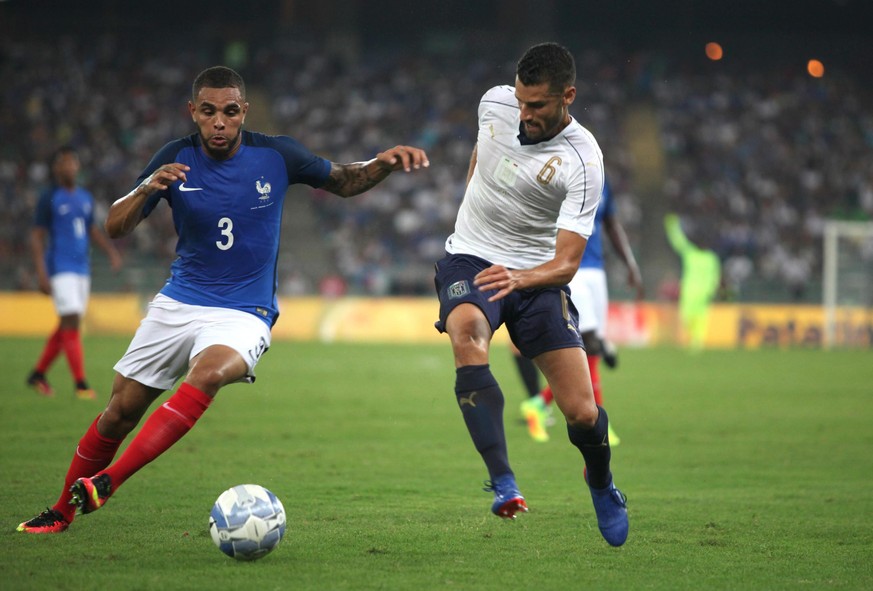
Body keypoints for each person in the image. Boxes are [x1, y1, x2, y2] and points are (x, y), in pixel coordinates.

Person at [17, 66, 429, 534]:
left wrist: (383, 164)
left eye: (229, 112)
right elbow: (114, 225)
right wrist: (149, 186)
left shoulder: (276, 153)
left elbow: (344, 179)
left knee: (209, 372)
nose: (219, 122)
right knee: (119, 413)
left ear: (243, 112)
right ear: (193, 112)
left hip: (244, 311)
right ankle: (61, 510)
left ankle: (109, 480)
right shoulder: (174, 157)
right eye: (208, 112)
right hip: (179, 302)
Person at [433, 43, 628, 546]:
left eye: (537, 105)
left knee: (582, 413)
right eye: (521, 101)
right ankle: (503, 481)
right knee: (467, 335)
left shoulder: (583, 161)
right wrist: (473, 205)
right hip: (470, 258)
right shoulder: (494, 102)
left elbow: (566, 262)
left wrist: (519, 277)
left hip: (537, 274)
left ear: (568, 96)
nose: (524, 113)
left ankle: (602, 482)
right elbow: (484, 146)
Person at [521, 178, 644, 443]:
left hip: (596, 272)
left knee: (592, 351)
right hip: (569, 266)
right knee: (589, 342)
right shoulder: (560, 175)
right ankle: (600, 423)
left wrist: (630, 264)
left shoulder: (603, 182)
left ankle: (539, 404)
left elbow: (611, 224)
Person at [26, 146, 123, 400]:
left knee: (68, 324)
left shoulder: (85, 198)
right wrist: (42, 272)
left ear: (77, 167)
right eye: (63, 163)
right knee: (71, 320)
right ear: (57, 169)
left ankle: (38, 374)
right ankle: (81, 383)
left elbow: (91, 230)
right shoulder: (49, 198)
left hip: (82, 268)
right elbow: (37, 236)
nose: (68, 167)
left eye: (72, 162)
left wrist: (111, 252)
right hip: (60, 268)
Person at [664, 213, 722, 350]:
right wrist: (672, 227)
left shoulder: (711, 258)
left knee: (701, 318)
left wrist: (712, 289)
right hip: (689, 291)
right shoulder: (691, 254)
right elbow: (678, 241)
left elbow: (715, 276)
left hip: (702, 292)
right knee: (687, 317)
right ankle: (693, 339)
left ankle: (697, 342)